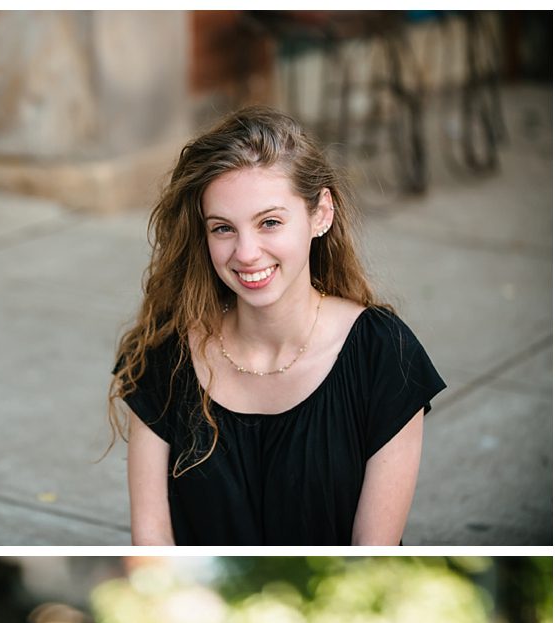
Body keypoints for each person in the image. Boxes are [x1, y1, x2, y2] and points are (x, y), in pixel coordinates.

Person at [111, 106, 444, 545]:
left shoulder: (382, 353)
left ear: (320, 214)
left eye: (270, 222)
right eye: (223, 228)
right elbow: (153, 547)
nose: (246, 253)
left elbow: (373, 555)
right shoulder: (165, 354)